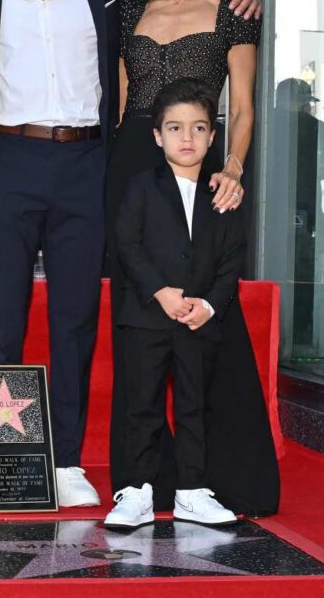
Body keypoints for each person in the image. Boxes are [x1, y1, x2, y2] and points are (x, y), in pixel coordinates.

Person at [0, 0, 260, 508]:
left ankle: (63, 462)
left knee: (76, 317)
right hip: (5, 160)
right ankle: (4, 462)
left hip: (88, 163)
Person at [107, 0, 278, 514]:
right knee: (143, 324)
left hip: (201, 167)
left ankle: (216, 477)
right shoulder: (130, 11)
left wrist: (232, 168)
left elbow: (245, 104)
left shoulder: (232, 8)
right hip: (134, 166)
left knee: (209, 315)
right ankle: (140, 480)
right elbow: (126, 105)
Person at [106, 79, 245, 528]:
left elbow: (231, 259)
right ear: (157, 135)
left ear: (212, 135)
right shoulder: (141, 187)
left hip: (197, 322)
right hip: (146, 317)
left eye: (199, 128)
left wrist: (209, 305)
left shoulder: (222, 195)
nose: (187, 138)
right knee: (141, 406)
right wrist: (159, 291)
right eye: (175, 127)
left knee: (193, 406)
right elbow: (127, 244)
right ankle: (136, 492)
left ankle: (191, 490)